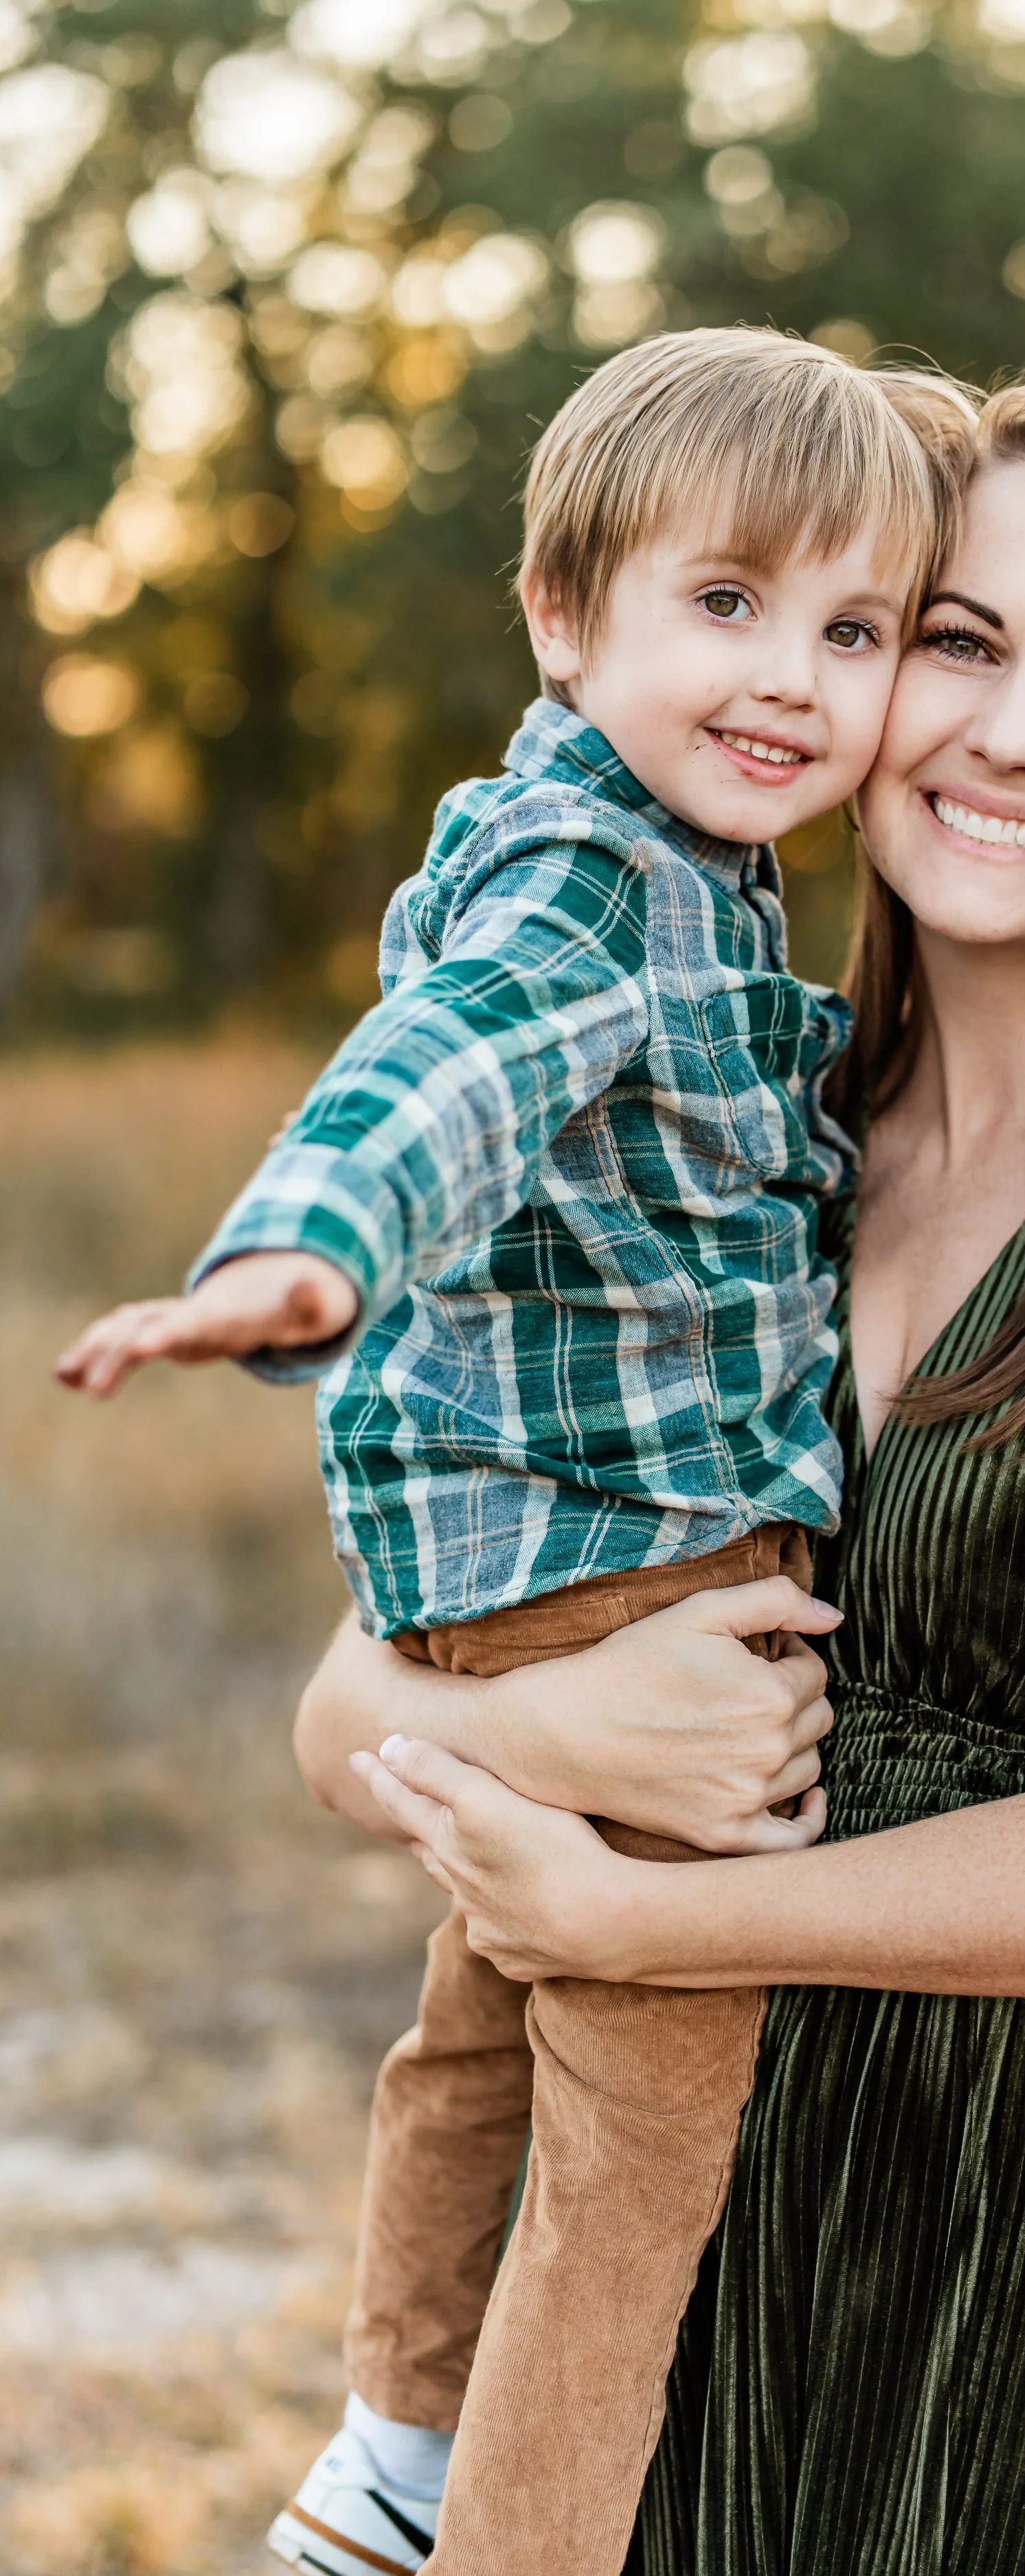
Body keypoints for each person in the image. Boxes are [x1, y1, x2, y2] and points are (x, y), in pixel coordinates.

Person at [301, 375, 1025, 2575]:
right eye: (955, 638)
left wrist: (655, 1915)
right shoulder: (743, 1126)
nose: (1007, 731)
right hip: (655, 2288)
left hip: (1017, 2280)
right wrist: (533, 1731)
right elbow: (344, 1703)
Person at [55, 329, 974, 2576]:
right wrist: (307, 1255)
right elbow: (442, 1072)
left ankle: (382, 2450)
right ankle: (513, 2539)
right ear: (565, 621)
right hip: (624, 1579)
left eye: (852, 631)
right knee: (643, 2154)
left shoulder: (664, 854)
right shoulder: (606, 888)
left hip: (507, 1575)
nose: (792, 679)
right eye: (728, 602)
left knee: (482, 2025)